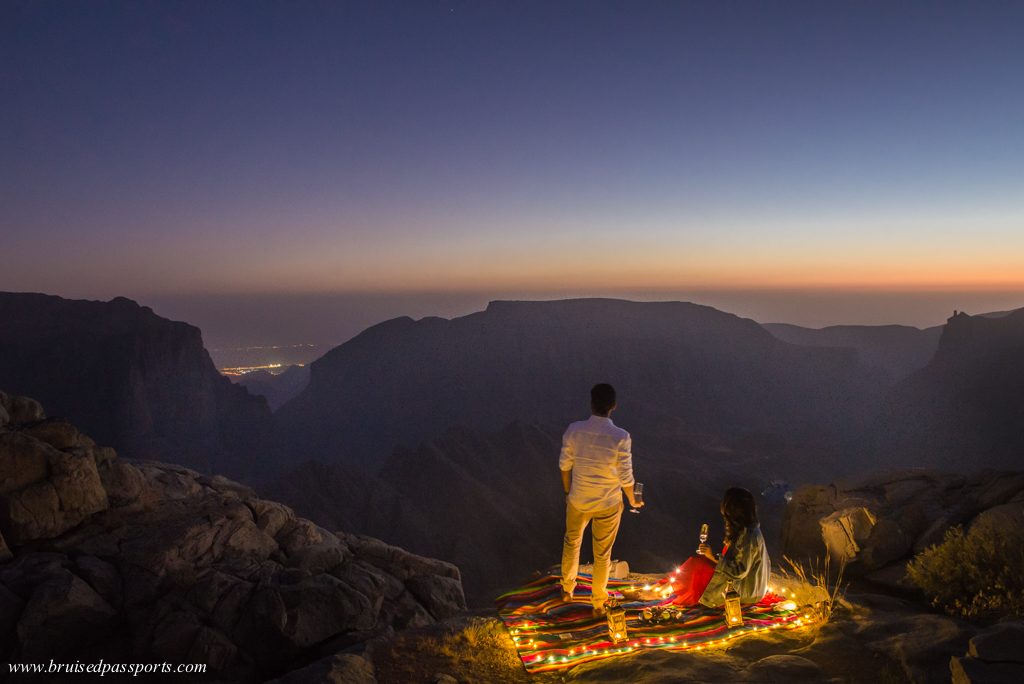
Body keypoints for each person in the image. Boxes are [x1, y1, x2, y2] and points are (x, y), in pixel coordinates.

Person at [559, 383, 642, 616]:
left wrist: (568, 493)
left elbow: (564, 466)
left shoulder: (574, 430)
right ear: (613, 406)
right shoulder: (621, 437)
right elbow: (626, 477)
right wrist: (632, 501)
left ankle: (567, 589)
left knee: (572, 542)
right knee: (602, 554)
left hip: (578, 499)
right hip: (608, 503)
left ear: (591, 403)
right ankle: (598, 602)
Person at [656, 487, 770, 607]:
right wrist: (713, 556)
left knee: (697, 566)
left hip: (748, 591)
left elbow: (738, 572)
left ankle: (669, 589)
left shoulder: (748, 537)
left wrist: (712, 557)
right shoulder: (747, 530)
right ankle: (670, 587)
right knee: (699, 561)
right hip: (749, 586)